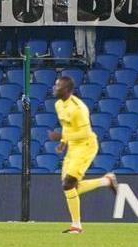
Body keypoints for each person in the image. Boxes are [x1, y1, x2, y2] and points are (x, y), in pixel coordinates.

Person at [49, 75, 117, 234]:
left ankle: (76, 226)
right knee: (71, 188)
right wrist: (63, 143)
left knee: (68, 184)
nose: (54, 88)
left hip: (86, 145)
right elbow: (67, 125)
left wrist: (61, 137)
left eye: (58, 86)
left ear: (67, 90)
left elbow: (85, 133)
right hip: (73, 146)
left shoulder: (78, 109)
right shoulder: (59, 104)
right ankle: (106, 181)